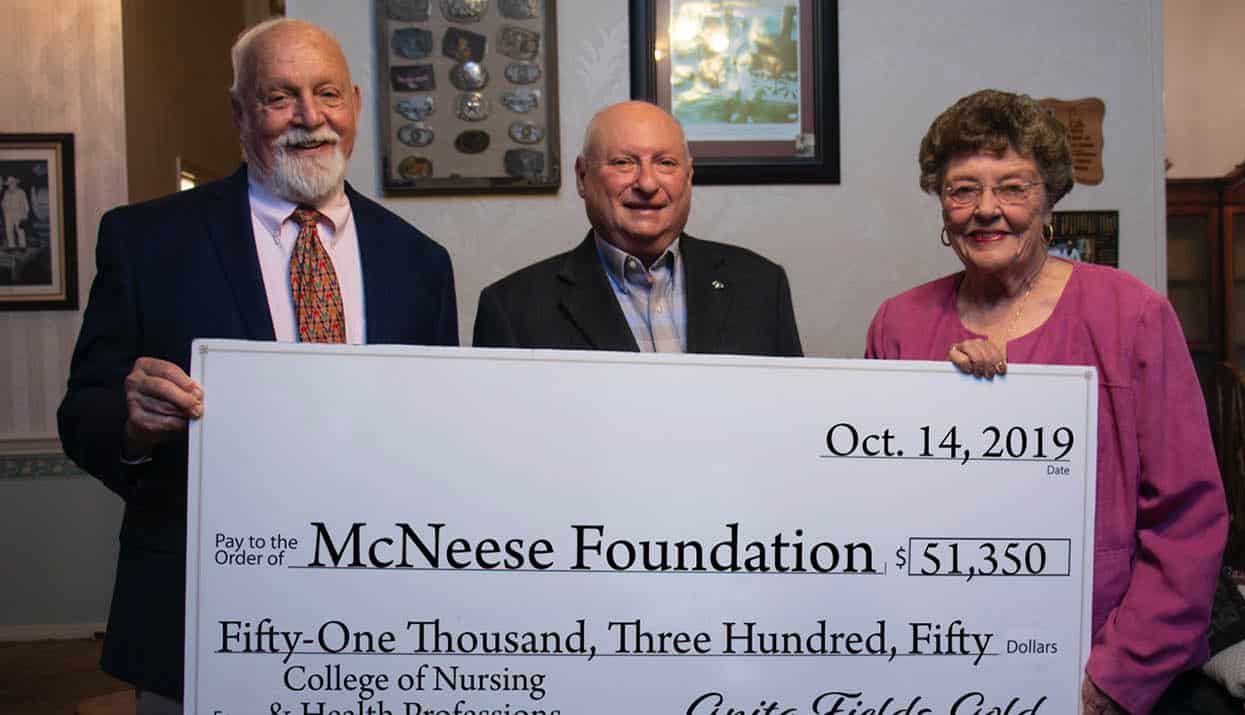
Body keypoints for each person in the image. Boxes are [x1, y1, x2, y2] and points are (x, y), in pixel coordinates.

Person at [57, 18, 457, 713]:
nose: (310, 117)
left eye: (327, 93)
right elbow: (81, 410)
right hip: (196, 608)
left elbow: (445, 435)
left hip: (378, 608)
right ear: (240, 112)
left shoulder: (419, 262)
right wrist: (132, 423)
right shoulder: (147, 241)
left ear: (356, 105)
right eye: (281, 96)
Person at [865, 90, 1226, 715]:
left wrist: (1116, 679)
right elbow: (869, 503)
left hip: (1099, 662)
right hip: (937, 655)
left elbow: (1187, 521)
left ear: (1049, 198)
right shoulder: (899, 324)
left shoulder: (1132, 315)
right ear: (941, 204)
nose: (986, 211)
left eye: (1012, 187)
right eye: (962, 189)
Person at [473, 100, 801, 357]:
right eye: (623, 162)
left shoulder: (761, 286)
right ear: (582, 176)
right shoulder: (512, 309)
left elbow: (789, 420)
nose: (646, 182)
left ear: (688, 177)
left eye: (666, 163)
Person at [2, 175, 30, 250]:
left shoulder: (21, 192)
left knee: (20, 230)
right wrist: (5, 209)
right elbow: (3, 203)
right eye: (9, 183)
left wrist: (25, 216)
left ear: (16, 182)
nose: (11, 184)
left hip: (19, 214)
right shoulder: (6, 192)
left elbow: (26, 204)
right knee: (9, 230)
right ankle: (11, 246)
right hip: (8, 214)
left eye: (12, 182)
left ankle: (22, 246)